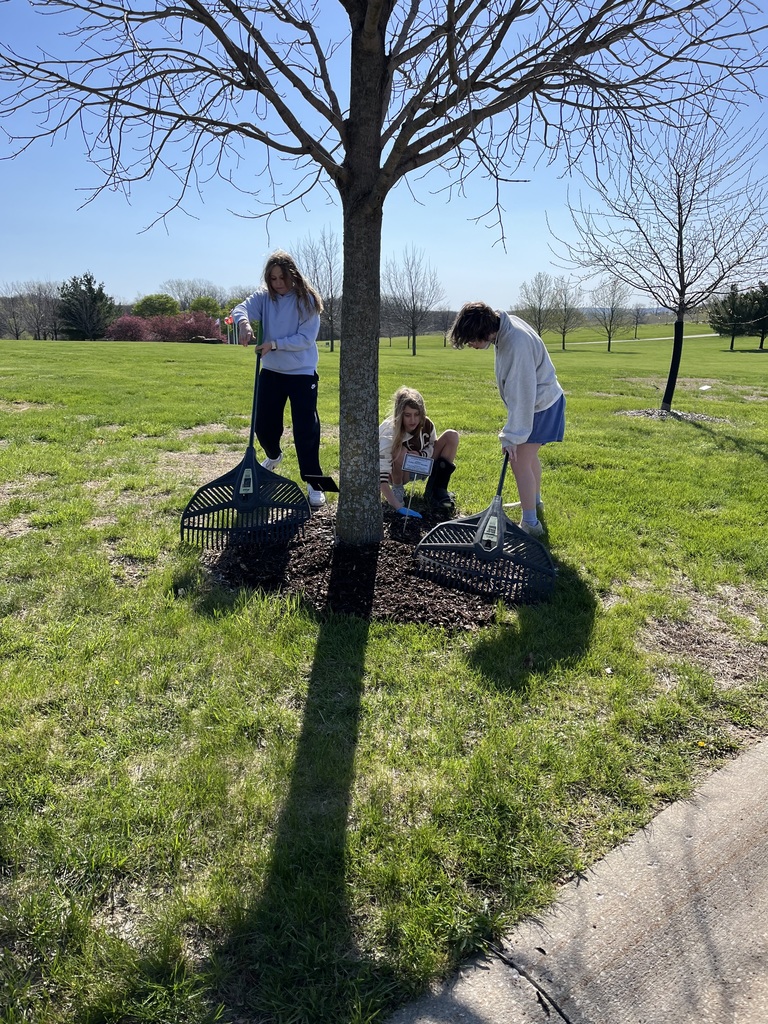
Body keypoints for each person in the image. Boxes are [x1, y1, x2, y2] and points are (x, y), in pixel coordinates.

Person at [449, 302, 565, 538]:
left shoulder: (515, 344)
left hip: (541, 405)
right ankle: (534, 501)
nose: (471, 344)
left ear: (484, 330)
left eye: (471, 339)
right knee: (528, 458)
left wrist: (511, 436)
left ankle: (531, 523)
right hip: (542, 401)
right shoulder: (503, 325)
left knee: (518, 461)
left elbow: (523, 393)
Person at [231, 250, 328, 508]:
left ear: (293, 275)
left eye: (281, 277)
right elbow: (241, 308)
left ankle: (315, 481)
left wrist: (273, 344)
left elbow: (305, 339)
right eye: (272, 278)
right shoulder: (265, 297)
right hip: (272, 372)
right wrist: (244, 323)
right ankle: (273, 456)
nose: (277, 283)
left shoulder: (307, 300)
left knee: (306, 429)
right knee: (263, 425)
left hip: (302, 373)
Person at [379, 386, 460, 518]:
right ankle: (398, 490)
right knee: (400, 450)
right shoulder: (388, 432)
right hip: (399, 473)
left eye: (417, 414)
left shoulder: (427, 424)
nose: (413, 420)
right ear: (399, 414)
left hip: (423, 464)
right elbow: (381, 474)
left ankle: (437, 489)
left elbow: (432, 445)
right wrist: (397, 506)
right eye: (407, 415)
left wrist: (422, 455)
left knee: (452, 436)